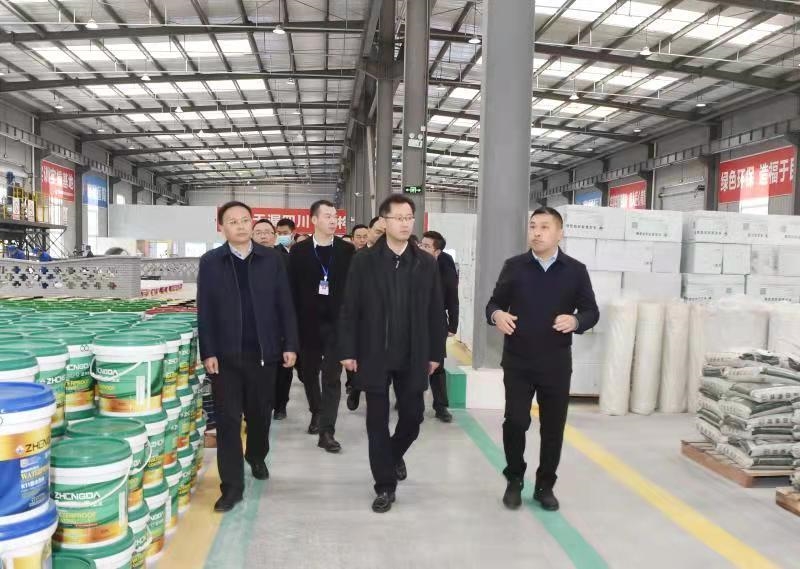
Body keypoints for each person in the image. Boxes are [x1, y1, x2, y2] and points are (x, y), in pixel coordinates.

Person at [485, 207, 599, 512]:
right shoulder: (514, 267)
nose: (536, 232)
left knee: (553, 427)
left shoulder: (575, 270)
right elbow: (493, 303)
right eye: (533, 226)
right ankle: (514, 480)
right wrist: (497, 315)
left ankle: (545, 485)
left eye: (544, 227)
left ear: (560, 233)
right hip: (518, 361)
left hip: (556, 363)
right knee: (515, 422)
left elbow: (591, 311)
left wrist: (576, 321)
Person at [338, 195, 445, 513]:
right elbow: (350, 307)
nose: (405, 223)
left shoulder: (425, 262)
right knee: (376, 422)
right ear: (384, 222)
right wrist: (348, 349)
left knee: (413, 417)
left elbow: (435, 311)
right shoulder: (364, 260)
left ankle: (392, 454)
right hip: (374, 353)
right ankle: (384, 486)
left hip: (413, 354)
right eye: (398, 217)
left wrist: (436, 352)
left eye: (409, 217)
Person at [197, 201, 298, 513]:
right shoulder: (211, 262)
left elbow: (285, 303)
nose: (240, 226)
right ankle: (231, 487)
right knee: (228, 421)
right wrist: (208, 351)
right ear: (221, 227)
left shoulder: (271, 259)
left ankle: (256, 455)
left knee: (259, 413)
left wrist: (290, 343)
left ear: (252, 223)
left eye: (245, 220)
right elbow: (205, 309)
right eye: (233, 221)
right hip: (225, 357)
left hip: (264, 354)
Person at [290, 200, 355, 452]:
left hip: (337, 324)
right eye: (327, 216)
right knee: (308, 373)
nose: (333, 220)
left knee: (331, 376)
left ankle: (327, 430)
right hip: (307, 324)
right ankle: (316, 411)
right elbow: (291, 289)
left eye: (335, 216)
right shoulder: (299, 251)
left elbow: (353, 289)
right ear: (314, 220)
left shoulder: (347, 250)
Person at [253, 219, 293, 421]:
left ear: (274, 236)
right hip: (255, 325)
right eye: (258, 232)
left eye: (267, 232)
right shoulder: (245, 260)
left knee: (282, 368)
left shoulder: (286, 260)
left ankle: (280, 405)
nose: (263, 236)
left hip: (280, 324)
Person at [419, 231, 459, 423]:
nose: (421, 248)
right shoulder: (411, 262)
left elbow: (452, 296)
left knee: (437, 364)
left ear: (437, 252)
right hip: (412, 321)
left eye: (427, 246)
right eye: (421, 244)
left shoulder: (445, 265)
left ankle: (441, 406)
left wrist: (453, 324)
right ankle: (411, 403)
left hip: (436, 321)